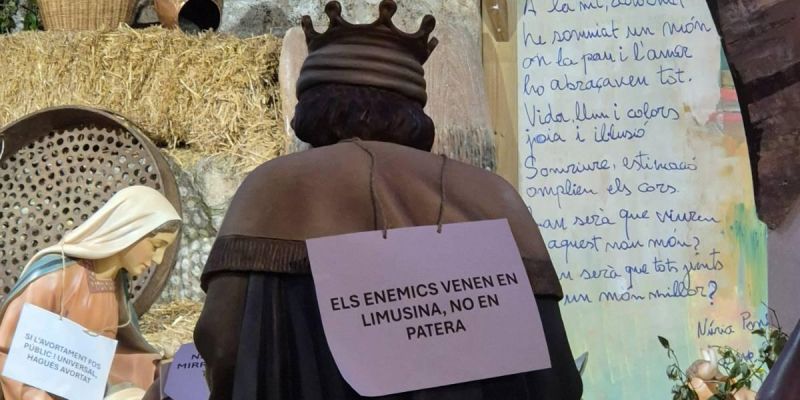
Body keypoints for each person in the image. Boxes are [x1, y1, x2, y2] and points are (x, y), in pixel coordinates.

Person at [194, 1, 583, 399]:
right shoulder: (497, 197)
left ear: (310, 106)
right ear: (414, 108)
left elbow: (222, 344)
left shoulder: (272, 188)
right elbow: (558, 373)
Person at [0, 185, 181, 400]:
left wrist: (159, 368)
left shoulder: (115, 288)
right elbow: (7, 352)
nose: (158, 259)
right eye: (156, 245)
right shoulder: (56, 278)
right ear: (130, 230)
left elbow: (106, 360)